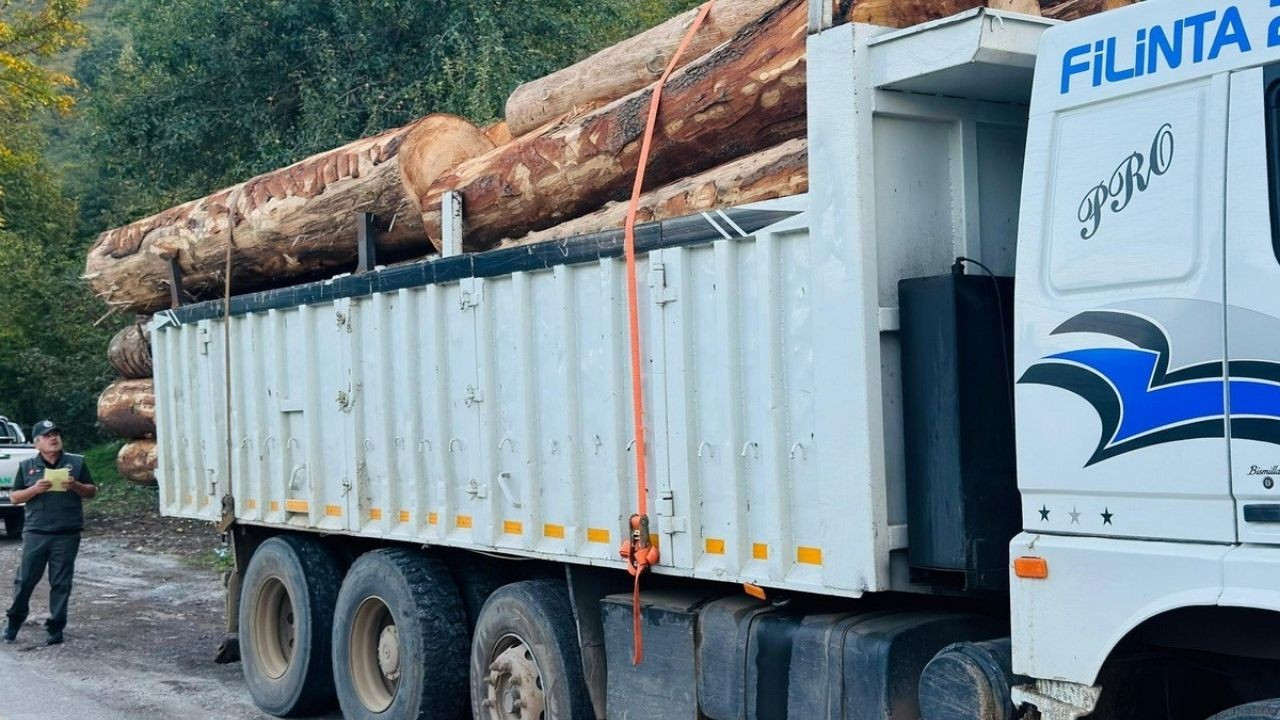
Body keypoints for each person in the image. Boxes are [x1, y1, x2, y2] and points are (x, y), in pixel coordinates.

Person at [3, 420, 96, 645]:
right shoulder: (27, 466)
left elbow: (91, 491)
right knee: (25, 580)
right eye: (46, 436)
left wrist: (75, 486)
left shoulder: (76, 462)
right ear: (37, 443)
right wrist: (35, 489)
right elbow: (15, 497)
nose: (53, 438)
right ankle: (13, 622)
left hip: (67, 532)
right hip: (36, 532)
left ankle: (55, 628)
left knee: (61, 582)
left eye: (55, 434)